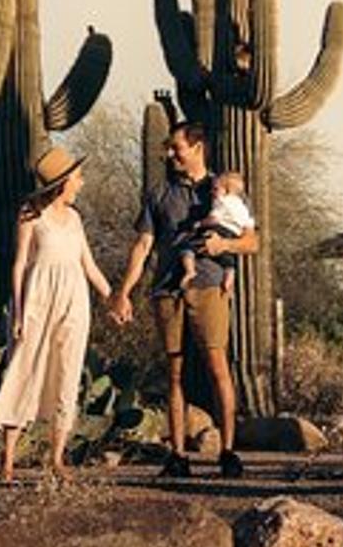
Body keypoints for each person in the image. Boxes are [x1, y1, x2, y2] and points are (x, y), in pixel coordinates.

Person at [110, 123, 258, 479]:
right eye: (169, 148)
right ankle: (177, 455)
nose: (170, 154)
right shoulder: (159, 194)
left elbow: (252, 241)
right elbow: (143, 245)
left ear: (197, 147)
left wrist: (224, 246)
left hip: (209, 286)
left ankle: (228, 451)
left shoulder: (225, 187)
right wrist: (123, 292)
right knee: (174, 371)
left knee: (217, 365)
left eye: (176, 147)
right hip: (167, 288)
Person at [0, 145, 113, 481]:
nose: (81, 183)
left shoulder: (75, 219)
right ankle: (8, 460)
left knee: (67, 373)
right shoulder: (31, 215)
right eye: (77, 178)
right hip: (38, 300)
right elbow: (19, 264)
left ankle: (56, 458)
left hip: (74, 300)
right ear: (62, 183)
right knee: (24, 370)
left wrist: (113, 298)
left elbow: (89, 265)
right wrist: (18, 312)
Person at [178, 170, 253, 293]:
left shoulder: (222, 201)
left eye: (215, 189)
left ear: (227, 191)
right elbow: (249, 223)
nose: (212, 192)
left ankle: (190, 270)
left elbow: (214, 219)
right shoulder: (242, 206)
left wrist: (199, 224)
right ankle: (229, 274)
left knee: (187, 246)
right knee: (227, 259)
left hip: (218, 230)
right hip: (234, 234)